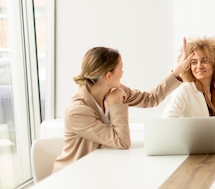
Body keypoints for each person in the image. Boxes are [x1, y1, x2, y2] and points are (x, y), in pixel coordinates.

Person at [52, 41, 193, 173]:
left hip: (98, 170)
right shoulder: (77, 111)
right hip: (73, 175)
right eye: (121, 68)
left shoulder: (116, 90)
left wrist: (177, 70)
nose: (123, 72)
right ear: (108, 76)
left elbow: (151, 99)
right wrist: (117, 105)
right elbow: (122, 142)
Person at [162, 36, 215, 133]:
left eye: (204, 61)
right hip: (192, 148)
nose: (199, 66)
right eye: (194, 62)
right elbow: (167, 120)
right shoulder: (185, 90)